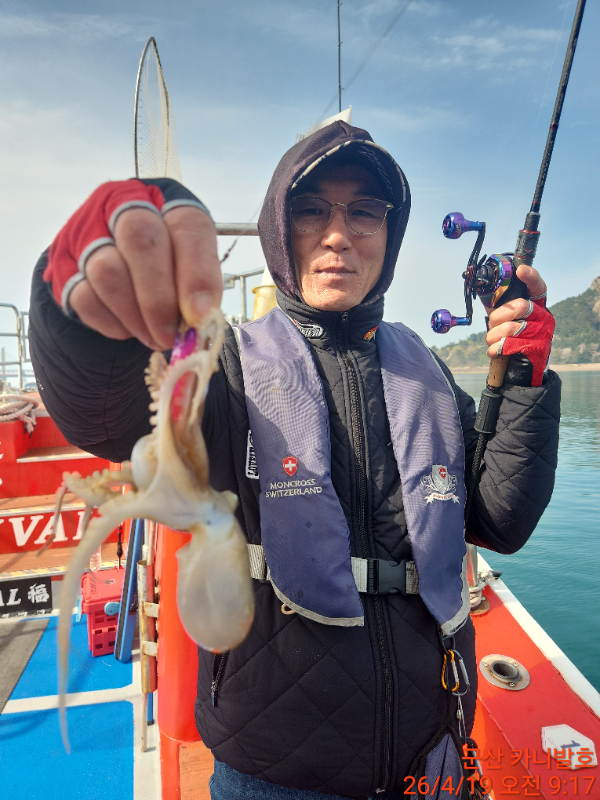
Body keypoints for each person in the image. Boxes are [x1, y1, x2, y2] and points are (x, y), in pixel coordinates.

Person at [29, 122, 559, 800]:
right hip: (274, 771)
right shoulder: (227, 365)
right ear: (280, 230)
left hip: (431, 754)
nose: (338, 235)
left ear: (390, 233)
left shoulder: (425, 371)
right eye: (312, 210)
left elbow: (501, 520)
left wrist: (522, 379)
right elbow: (105, 413)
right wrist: (77, 312)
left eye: (364, 212)